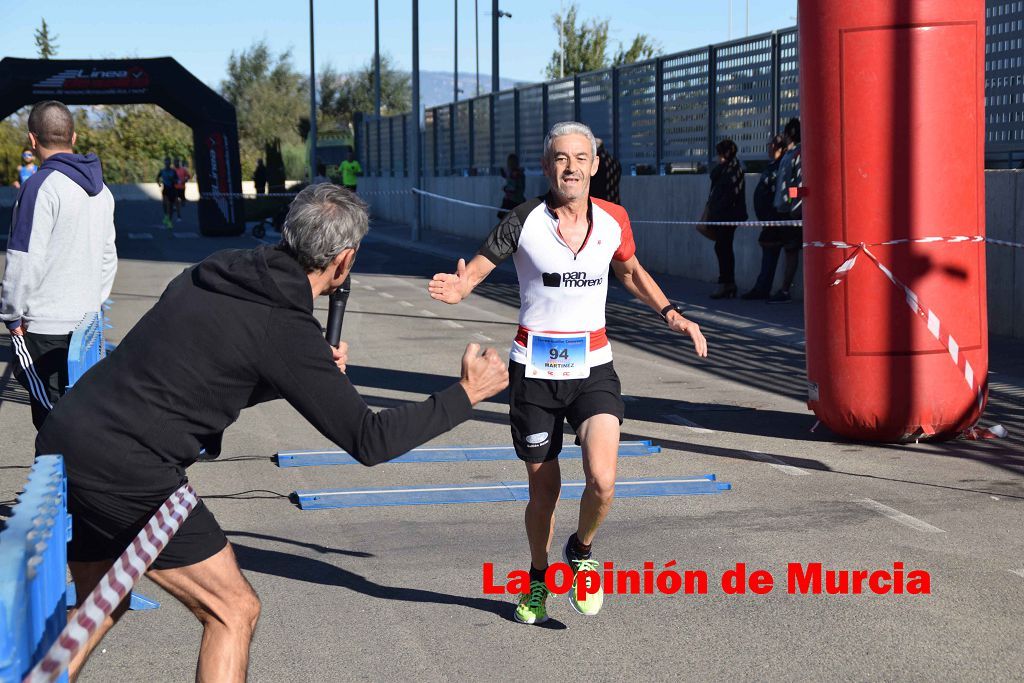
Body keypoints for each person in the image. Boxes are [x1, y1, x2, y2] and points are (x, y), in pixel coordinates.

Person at [36, 183, 509, 681]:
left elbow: (206, 369)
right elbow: (371, 440)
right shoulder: (283, 327)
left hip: (70, 434)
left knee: (99, 604)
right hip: (128, 468)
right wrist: (466, 394)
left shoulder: (219, 268)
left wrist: (293, 376)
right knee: (232, 611)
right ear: (344, 261)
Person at [428, 121, 708, 625]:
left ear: (595, 165)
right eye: (561, 158)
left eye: (581, 158)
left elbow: (630, 272)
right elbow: (477, 268)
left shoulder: (614, 220)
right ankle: (538, 575)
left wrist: (672, 313)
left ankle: (580, 549)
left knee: (602, 481)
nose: (571, 167)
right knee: (545, 493)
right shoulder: (523, 219)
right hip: (533, 373)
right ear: (546, 165)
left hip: (593, 368)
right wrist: (458, 286)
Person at [0, 100, 117, 430]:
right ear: (74, 137)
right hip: (87, 324)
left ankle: (69, 481)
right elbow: (109, 256)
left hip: (44, 325)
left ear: (32, 140)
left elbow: (24, 259)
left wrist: (11, 314)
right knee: (79, 416)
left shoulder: (39, 187)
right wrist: (92, 301)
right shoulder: (102, 191)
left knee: (53, 422)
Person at [699, 139, 748, 299]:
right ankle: (728, 283)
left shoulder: (735, 171)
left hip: (728, 216)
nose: (717, 156)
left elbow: (730, 195)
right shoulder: (722, 170)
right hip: (719, 215)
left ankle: (726, 283)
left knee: (723, 247)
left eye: (719, 153)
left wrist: (717, 210)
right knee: (722, 248)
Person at [741, 134, 787, 300]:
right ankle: (762, 286)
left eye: (772, 145)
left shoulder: (781, 166)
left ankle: (764, 288)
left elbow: (780, 193)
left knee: (770, 249)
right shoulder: (773, 165)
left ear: (780, 148)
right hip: (767, 218)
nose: (769, 148)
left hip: (775, 218)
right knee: (767, 249)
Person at [769, 118, 803, 303]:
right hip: (782, 209)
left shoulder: (798, 154)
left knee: (791, 251)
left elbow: (798, 183)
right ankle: (782, 288)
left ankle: (785, 290)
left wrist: (794, 206)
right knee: (786, 251)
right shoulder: (789, 154)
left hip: (790, 212)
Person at [590, 138, 621, 205]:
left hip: (600, 204)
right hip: (614, 202)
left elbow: (596, 187)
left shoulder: (597, 163)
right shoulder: (614, 161)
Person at [497, 153, 525, 219]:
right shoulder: (519, 173)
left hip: (513, 201)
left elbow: (512, 188)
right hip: (519, 200)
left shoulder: (515, 174)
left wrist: (505, 189)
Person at [156, 156, 178, 229]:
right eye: (166, 162)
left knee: (171, 206)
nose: (167, 164)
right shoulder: (162, 171)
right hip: (165, 188)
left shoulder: (173, 171)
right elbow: (157, 177)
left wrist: (173, 180)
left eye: (168, 163)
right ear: (164, 163)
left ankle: (170, 221)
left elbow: (177, 180)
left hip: (172, 189)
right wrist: (158, 183)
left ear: (170, 163)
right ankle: (166, 215)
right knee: (164, 203)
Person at [173, 158, 191, 222]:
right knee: (176, 199)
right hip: (175, 188)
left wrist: (185, 180)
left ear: (179, 163)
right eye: (175, 162)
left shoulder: (183, 170)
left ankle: (181, 202)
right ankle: (178, 216)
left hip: (182, 188)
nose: (176, 164)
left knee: (183, 201)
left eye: (177, 162)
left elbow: (188, 176)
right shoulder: (173, 170)